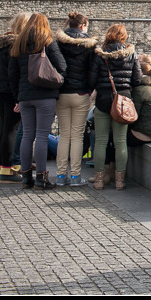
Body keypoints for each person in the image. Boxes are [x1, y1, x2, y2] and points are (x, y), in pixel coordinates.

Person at [7, 13, 68, 190]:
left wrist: (17, 95)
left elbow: (12, 74)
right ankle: (41, 178)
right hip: (45, 95)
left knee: (27, 135)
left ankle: (26, 177)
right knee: (42, 136)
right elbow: (62, 66)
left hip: (25, 97)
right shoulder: (47, 42)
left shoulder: (18, 44)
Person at [87, 23, 142, 189]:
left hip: (103, 99)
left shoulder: (100, 55)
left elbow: (91, 79)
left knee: (101, 141)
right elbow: (137, 79)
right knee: (120, 141)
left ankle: (98, 180)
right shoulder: (131, 54)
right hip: (123, 100)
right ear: (123, 37)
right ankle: (119, 181)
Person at [53, 11, 97, 187]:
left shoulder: (58, 42)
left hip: (62, 93)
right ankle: (75, 176)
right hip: (81, 94)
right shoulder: (90, 45)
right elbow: (93, 71)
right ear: (82, 26)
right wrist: (88, 89)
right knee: (77, 136)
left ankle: (61, 175)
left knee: (64, 135)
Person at [0, 11, 31, 183]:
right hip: (9, 90)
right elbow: (14, 74)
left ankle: (0, 167)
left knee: (5, 128)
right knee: (11, 129)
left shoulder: (2, 45)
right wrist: (17, 98)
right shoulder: (17, 45)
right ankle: (7, 169)